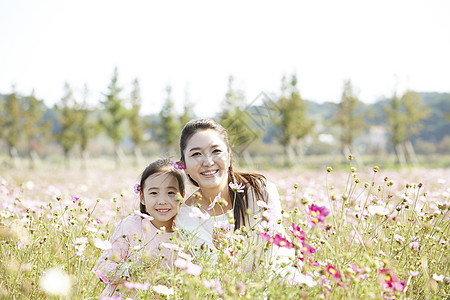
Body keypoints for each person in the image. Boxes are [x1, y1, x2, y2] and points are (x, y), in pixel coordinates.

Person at [174, 119, 292, 271]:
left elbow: (274, 256)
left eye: (216, 151)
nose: (208, 162)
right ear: (184, 165)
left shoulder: (260, 192)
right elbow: (210, 272)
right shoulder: (186, 216)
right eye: (196, 154)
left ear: (229, 156)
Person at [95, 158, 186, 296]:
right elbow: (102, 268)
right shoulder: (131, 226)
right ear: (142, 197)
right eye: (154, 193)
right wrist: (130, 270)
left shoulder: (186, 235)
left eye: (171, 193)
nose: (162, 201)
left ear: (182, 197)